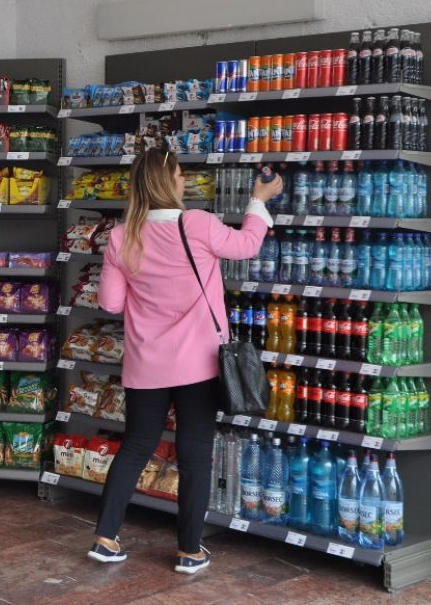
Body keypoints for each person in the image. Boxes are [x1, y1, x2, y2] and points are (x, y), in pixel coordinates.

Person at [88, 147, 283, 575]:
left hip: (146, 364)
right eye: (178, 174)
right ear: (169, 181)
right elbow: (247, 245)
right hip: (199, 364)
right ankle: (189, 550)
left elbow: (110, 302)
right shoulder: (197, 224)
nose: (182, 180)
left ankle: (105, 537)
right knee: (195, 454)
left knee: (135, 447)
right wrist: (259, 200)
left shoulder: (121, 237)